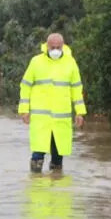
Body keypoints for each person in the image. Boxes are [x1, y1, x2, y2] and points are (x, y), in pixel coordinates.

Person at [19, 33, 86, 173]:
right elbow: (25, 86)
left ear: (63, 46)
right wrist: (24, 110)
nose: (55, 50)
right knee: (38, 155)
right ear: (46, 46)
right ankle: (36, 187)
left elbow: (76, 89)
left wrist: (80, 112)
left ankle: (57, 189)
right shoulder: (36, 62)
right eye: (52, 47)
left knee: (58, 158)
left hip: (61, 119)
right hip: (41, 119)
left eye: (58, 47)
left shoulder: (70, 62)